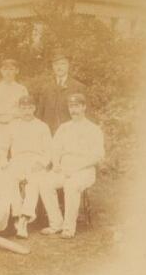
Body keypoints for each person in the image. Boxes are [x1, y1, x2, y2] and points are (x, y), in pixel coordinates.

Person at [39, 93, 104, 239]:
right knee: (44, 183)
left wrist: (76, 168)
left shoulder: (93, 129)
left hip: (84, 170)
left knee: (71, 185)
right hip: (63, 168)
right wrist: (56, 164)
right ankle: (56, 224)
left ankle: (69, 228)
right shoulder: (64, 128)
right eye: (71, 107)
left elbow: (98, 155)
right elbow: (55, 149)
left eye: (76, 106)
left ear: (84, 107)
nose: (73, 110)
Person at [5, 95, 52, 238]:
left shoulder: (42, 126)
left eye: (29, 108)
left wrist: (42, 163)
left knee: (34, 180)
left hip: (35, 160)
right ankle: (17, 215)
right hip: (17, 159)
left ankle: (25, 218)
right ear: (19, 109)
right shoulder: (12, 125)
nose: (26, 111)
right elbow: (2, 147)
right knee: (9, 178)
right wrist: (3, 161)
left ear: (34, 108)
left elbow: (49, 150)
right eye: (23, 108)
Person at [0, 59, 28, 160]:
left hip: (15, 124)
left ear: (17, 71)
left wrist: (12, 116)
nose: (8, 72)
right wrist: (9, 114)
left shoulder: (21, 89)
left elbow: (24, 109)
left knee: (17, 152)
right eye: (5, 69)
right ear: (1, 70)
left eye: (11, 69)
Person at [37, 50, 86, 134]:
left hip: (71, 133)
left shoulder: (78, 87)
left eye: (62, 64)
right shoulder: (46, 88)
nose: (59, 67)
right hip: (49, 133)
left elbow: (86, 114)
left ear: (68, 66)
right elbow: (40, 114)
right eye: (56, 64)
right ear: (52, 66)